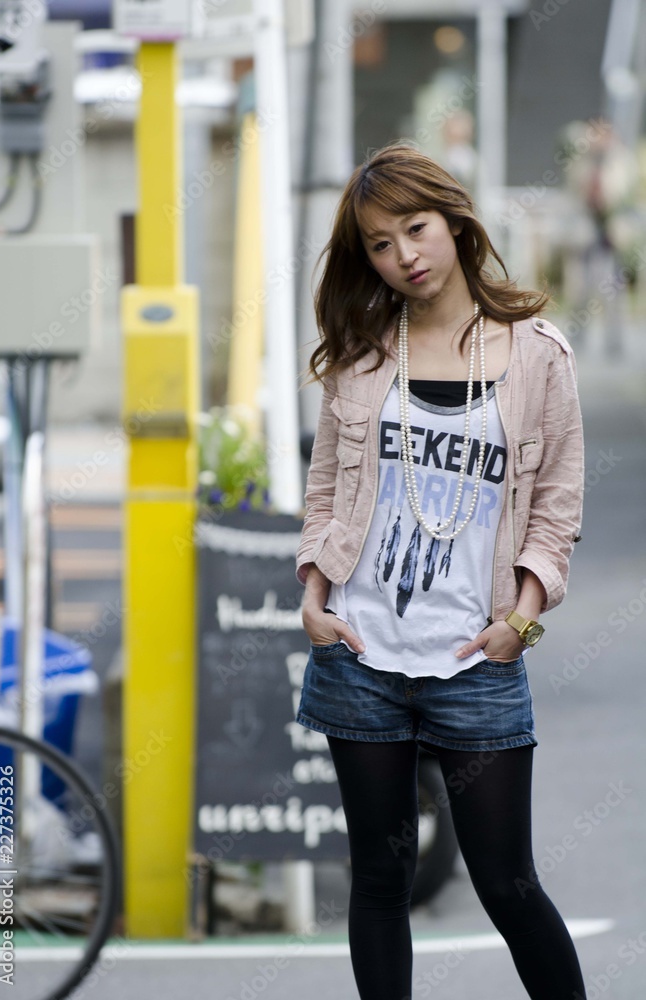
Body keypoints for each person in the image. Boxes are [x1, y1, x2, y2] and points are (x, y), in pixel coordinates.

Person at [294, 143, 586, 1000]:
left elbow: (556, 511)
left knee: (510, 887)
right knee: (380, 885)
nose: (403, 257)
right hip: (360, 653)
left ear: (454, 221)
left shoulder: (537, 356)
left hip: (476, 661)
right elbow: (324, 491)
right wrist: (314, 597)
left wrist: (520, 622)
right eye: (380, 244)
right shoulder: (361, 353)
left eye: (414, 230)